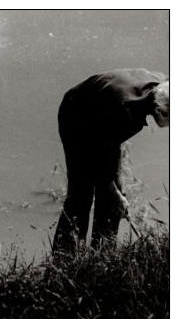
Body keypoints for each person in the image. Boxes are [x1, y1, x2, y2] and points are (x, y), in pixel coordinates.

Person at [52, 69, 169, 253]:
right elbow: (97, 152)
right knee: (81, 193)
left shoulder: (163, 84)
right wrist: (113, 192)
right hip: (77, 117)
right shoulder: (124, 110)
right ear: (159, 111)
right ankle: (65, 257)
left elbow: (109, 145)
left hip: (104, 120)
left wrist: (115, 193)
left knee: (113, 199)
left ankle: (102, 254)